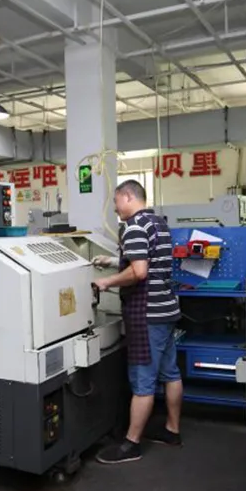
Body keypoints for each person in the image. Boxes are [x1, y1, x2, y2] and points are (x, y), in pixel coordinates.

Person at [92, 180, 183, 465]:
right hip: (167, 309)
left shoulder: (133, 227)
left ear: (128, 197)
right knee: (170, 372)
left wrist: (107, 281)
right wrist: (112, 261)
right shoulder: (158, 223)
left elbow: (139, 272)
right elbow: (148, 259)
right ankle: (172, 430)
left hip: (147, 315)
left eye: (116, 201)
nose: (115, 208)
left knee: (143, 380)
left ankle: (131, 444)